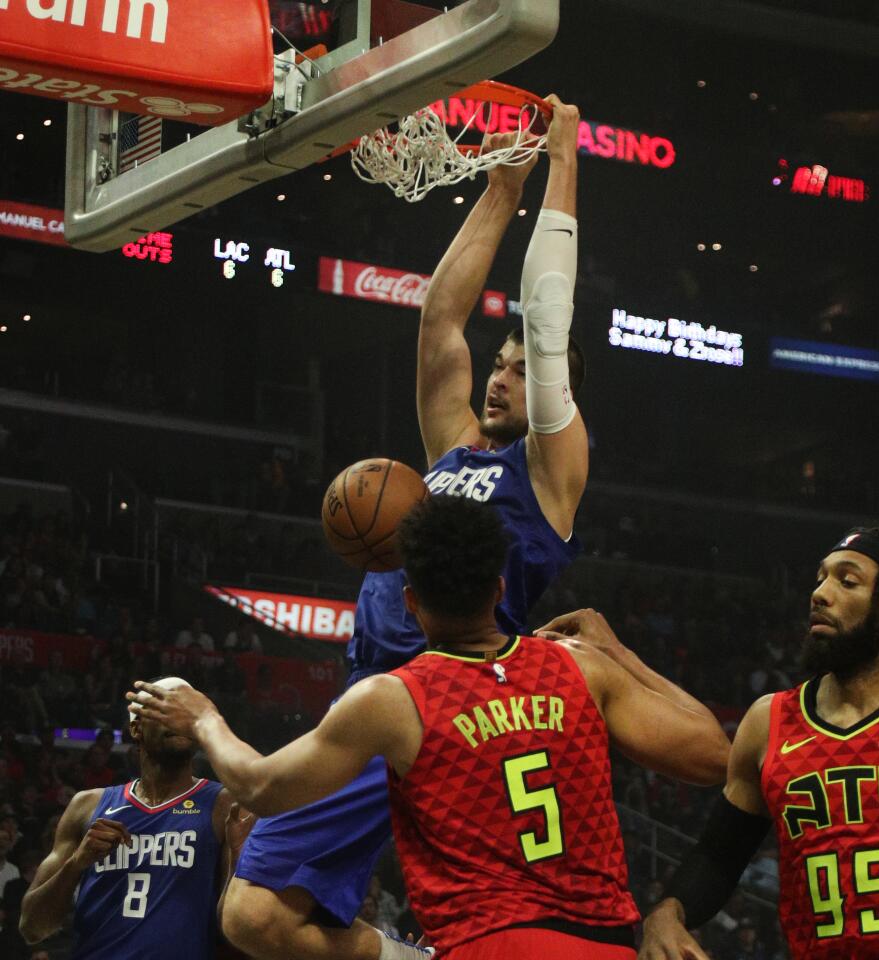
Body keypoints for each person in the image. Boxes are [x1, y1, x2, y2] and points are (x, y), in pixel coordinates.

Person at [218, 95, 591, 960]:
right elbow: (440, 321)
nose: (500, 378)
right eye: (495, 369)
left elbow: (545, 324)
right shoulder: (453, 449)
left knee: (259, 913)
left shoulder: (549, 471)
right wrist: (503, 187)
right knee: (262, 917)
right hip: (372, 695)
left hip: (446, 699)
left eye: (517, 371)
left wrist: (564, 163)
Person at [129, 497, 730, 960]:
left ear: (411, 603)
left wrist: (204, 718)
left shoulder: (394, 698)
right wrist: (620, 651)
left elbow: (260, 787)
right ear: (498, 590)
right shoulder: (580, 667)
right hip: (605, 944)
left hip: (487, 943)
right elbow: (713, 754)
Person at [639, 526, 879, 960]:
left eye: (847, 581)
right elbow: (720, 855)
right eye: (820, 577)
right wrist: (667, 913)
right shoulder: (770, 720)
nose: (821, 594)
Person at [19, 677, 239, 959]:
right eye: (164, 710)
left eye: (186, 712)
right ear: (136, 728)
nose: (179, 719)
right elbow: (32, 927)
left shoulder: (225, 805)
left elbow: (239, 924)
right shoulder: (86, 806)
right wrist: (77, 863)